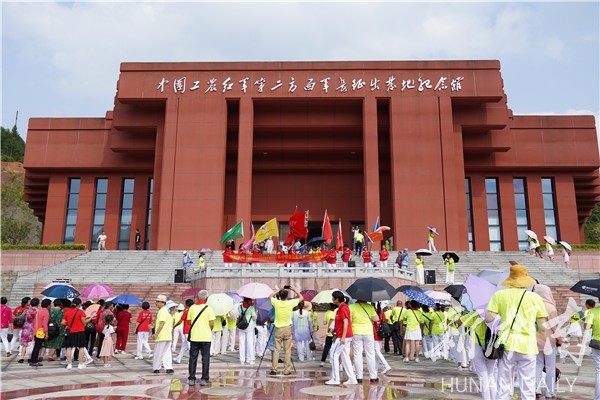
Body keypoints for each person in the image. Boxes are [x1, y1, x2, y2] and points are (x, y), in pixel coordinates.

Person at [485, 264, 548, 400]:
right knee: (528, 384)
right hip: (528, 345)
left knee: (504, 382)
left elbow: (489, 318)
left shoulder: (499, 295)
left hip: (506, 344)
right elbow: (543, 326)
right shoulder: (535, 298)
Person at [460, 309, 497, 400]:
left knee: (483, 376)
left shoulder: (476, 313)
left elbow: (460, 321)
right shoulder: (497, 314)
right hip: (492, 348)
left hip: (477, 347)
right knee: (491, 376)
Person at [533, 284, 560, 399]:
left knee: (537, 365)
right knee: (550, 366)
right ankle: (550, 391)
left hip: (535, 340)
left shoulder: (533, 304)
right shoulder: (550, 306)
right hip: (549, 341)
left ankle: (536, 388)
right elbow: (555, 326)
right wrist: (560, 339)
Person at [269, 285, 303, 375]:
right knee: (287, 350)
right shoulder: (290, 303)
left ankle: (274, 369)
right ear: (287, 296)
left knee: (276, 349)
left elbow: (270, 296)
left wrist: (279, 290)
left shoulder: (276, 303)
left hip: (278, 328)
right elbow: (301, 298)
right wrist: (294, 289)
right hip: (287, 328)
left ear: (279, 296)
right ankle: (287, 370)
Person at [325, 290, 357, 385]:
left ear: (337, 299)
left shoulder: (343, 308)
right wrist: (335, 330)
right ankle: (352, 378)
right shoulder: (341, 308)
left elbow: (346, 322)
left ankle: (335, 378)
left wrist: (342, 337)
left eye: (333, 298)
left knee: (334, 355)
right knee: (345, 357)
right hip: (344, 336)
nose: (332, 300)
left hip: (344, 337)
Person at [187, 290, 216, 386]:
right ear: (206, 298)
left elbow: (189, 321)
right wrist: (208, 329)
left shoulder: (192, 308)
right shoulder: (209, 309)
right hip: (206, 337)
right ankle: (204, 378)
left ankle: (191, 378)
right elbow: (211, 323)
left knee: (192, 358)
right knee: (205, 358)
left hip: (195, 336)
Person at [349, 300, 379, 382]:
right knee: (370, 354)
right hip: (368, 332)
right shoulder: (370, 307)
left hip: (356, 332)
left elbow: (350, 320)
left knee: (357, 354)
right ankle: (373, 376)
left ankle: (359, 376)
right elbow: (376, 319)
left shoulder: (351, 307)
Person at [62, 298, 92, 369]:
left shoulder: (68, 311)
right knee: (81, 347)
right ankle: (80, 364)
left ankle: (69, 364)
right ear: (79, 304)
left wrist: (68, 324)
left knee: (69, 347)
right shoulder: (80, 312)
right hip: (79, 332)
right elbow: (84, 322)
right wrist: (90, 318)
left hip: (70, 332)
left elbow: (63, 322)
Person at [152, 295, 174, 374]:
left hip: (162, 335)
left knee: (159, 352)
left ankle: (156, 368)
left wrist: (156, 333)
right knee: (167, 352)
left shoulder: (162, 311)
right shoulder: (166, 311)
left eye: (158, 301)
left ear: (163, 303)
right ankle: (168, 367)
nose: (156, 303)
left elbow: (162, 323)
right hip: (167, 335)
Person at [583, 299, 600, 400]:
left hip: (597, 344)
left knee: (599, 371)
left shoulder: (592, 312)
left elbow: (587, 327)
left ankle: (597, 397)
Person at [30, 298, 50, 367]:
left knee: (36, 346)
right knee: (38, 346)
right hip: (41, 332)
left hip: (36, 330)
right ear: (48, 305)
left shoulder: (39, 311)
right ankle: (35, 361)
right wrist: (46, 333)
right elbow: (45, 324)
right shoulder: (46, 312)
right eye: (50, 305)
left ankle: (33, 359)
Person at [373, 304, 392, 375]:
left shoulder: (373, 312)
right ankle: (375, 368)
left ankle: (386, 365)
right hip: (381, 333)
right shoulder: (382, 313)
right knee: (377, 352)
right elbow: (384, 322)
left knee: (376, 351)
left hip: (375, 334)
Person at [237, 297, 257, 365]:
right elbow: (254, 318)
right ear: (248, 300)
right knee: (250, 343)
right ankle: (250, 359)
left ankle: (242, 360)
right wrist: (255, 312)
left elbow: (238, 315)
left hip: (241, 327)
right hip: (249, 327)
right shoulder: (251, 308)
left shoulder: (239, 307)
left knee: (242, 343)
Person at [174, 299, 193, 364]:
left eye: (185, 304)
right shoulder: (193, 312)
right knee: (184, 346)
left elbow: (180, 321)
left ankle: (191, 360)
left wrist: (174, 326)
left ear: (187, 305)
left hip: (187, 330)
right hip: (191, 330)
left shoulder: (186, 312)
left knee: (189, 346)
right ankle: (178, 358)